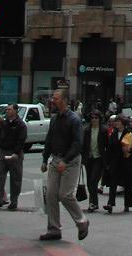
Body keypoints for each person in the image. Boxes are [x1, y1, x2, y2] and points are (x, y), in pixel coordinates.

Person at [40, 89, 89, 241]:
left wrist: (65, 160)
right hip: (56, 159)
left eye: (56, 98)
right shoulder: (54, 119)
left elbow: (77, 143)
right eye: (53, 98)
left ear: (65, 100)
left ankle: (82, 221)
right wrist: (45, 159)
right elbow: (49, 139)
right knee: (51, 194)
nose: (53, 100)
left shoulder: (74, 119)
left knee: (65, 194)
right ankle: (54, 228)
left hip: (71, 161)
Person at [0, 103, 27, 210]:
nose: (7, 111)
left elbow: (21, 139)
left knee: (15, 178)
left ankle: (14, 201)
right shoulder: (4, 123)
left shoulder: (21, 125)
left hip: (14, 153)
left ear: (15, 111)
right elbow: (0, 136)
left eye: (9, 109)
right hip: (2, 151)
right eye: (7, 109)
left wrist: (16, 152)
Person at [103, 115, 132, 212]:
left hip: (127, 161)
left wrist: (130, 149)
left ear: (123, 123)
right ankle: (110, 204)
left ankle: (127, 204)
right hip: (115, 162)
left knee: (128, 184)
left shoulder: (129, 133)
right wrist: (107, 162)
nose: (115, 123)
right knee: (113, 183)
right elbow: (109, 148)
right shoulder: (114, 133)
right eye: (115, 121)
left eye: (118, 121)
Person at [82, 111, 105, 212]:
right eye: (92, 118)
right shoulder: (86, 130)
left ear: (100, 119)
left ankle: (92, 203)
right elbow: (83, 145)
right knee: (89, 182)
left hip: (99, 158)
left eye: (96, 118)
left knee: (93, 180)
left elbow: (107, 145)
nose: (94, 120)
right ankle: (94, 203)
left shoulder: (103, 130)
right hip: (89, 158)